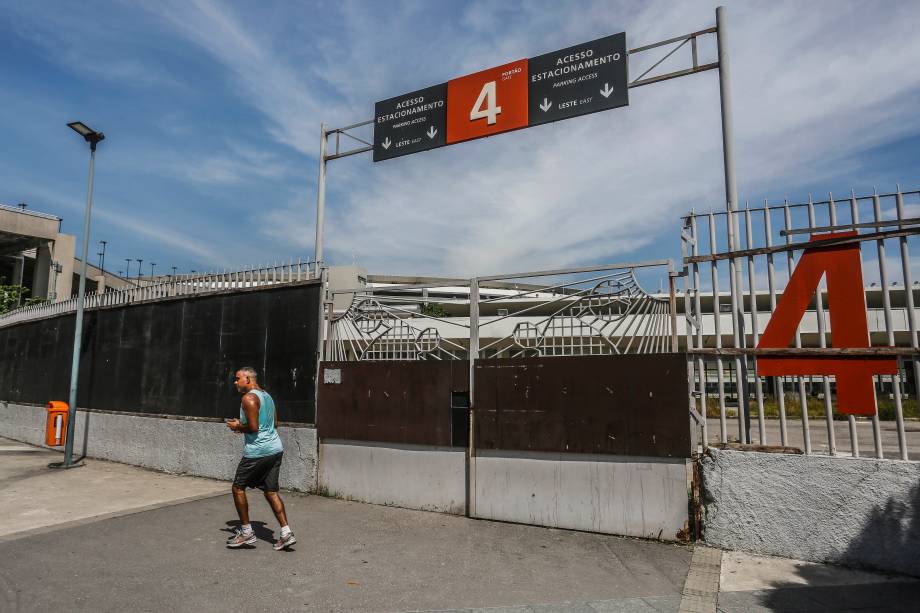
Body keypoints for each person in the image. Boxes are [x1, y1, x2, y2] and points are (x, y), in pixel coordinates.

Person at [225, 366, 296, 550]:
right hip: (275, 449)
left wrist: (237, 426)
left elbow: (253, 427)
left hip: (257, 452)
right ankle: (286, 532)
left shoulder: (248, 398)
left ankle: (247, 533)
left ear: (248, 379)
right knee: (270, 491)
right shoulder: (267, 396)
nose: (235, 381)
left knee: (238, 488)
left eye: (238, 378)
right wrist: (245, 425)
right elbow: (275, 423)